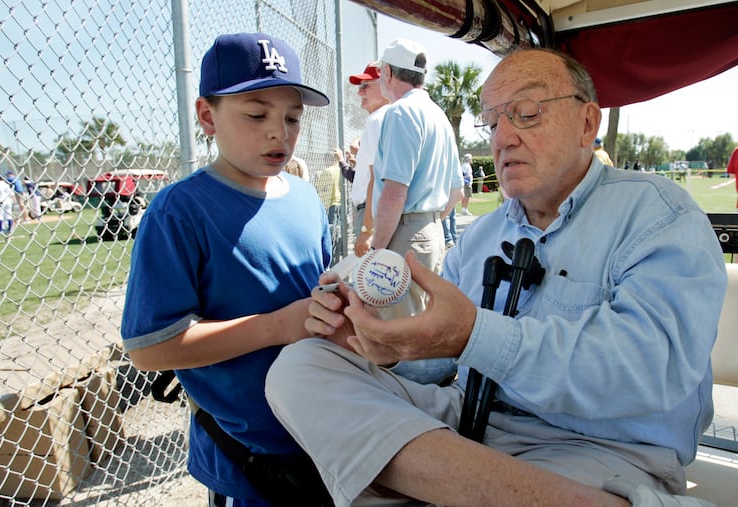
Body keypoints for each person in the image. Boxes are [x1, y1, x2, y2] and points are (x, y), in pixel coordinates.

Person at [265, 48, 727, 507]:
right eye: (492, 122)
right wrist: (380, 346)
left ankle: (426, 486)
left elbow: (652, 371)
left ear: (588, 123)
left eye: (526, 114)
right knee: (301, 367)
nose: (502, 137)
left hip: (602, 451)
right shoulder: (481, 235)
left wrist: (474, 334)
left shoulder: (658, 215)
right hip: (469, 423)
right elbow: (443, 364)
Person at [120, 32, 331, 507]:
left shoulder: (305, 197)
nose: (279, 131)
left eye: (292, 117)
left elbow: (312, 298)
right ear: (207, 116)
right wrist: (278, 326)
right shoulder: (180, 211)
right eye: (256, 114)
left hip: (323, 430)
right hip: (250, 456)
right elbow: (151, 350)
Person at [370, 39, 463, 310]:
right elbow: (457, 190)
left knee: (396, 334)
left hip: (404, 233)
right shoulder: (438, 114)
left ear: (388, 72)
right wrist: (427, 221)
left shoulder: (400, 112)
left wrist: (377, 250)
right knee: (422, 328)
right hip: (432, 232)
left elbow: (395, 192)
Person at [342, 61, 390, 257]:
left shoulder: (378, 120)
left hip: (370, 213)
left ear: (385, 86)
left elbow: (375, 178)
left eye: (366, 86)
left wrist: (367, 229)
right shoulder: (389, 117)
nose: (360, 92)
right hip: (375, 211)